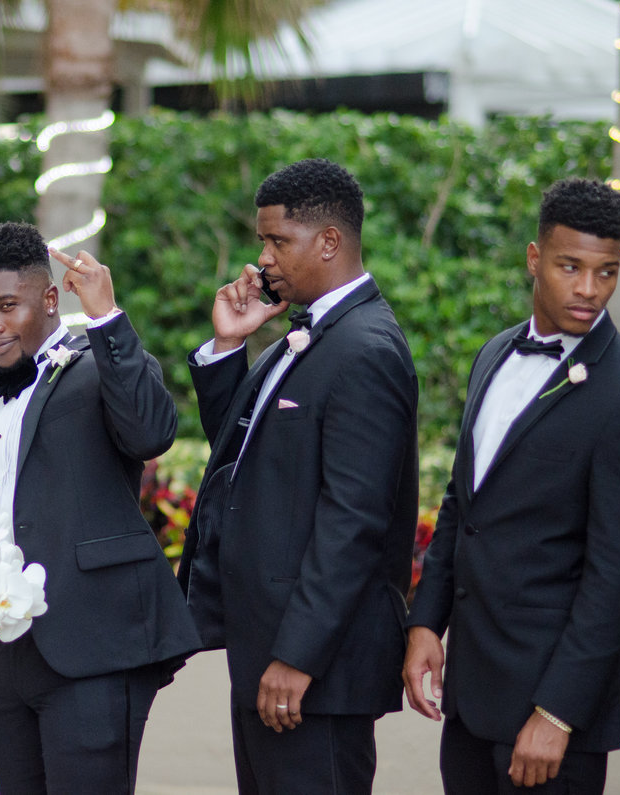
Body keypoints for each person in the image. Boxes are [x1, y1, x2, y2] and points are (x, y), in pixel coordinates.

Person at [404, 178, 620, 794]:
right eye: (569, 266)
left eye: (606, 272)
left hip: (550, 718)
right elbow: (462, 504)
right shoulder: (494, 354)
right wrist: (425, 623)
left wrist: (558, 713)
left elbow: (616, 576)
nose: (587, 289)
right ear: (533, 257)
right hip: (470, 701)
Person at [177, 158, 419, 792]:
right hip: (268, 658)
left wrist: (297, 656)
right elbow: (245, 453)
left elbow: (354, 520)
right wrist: (231, 346)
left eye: (278, 241)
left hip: (314, 674)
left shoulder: (365, 349)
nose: (263, 260)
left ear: (330, 242)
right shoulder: (310, 333)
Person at [0, 221, 200, 793]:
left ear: (50, 299)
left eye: (7, 306)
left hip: (91, 647)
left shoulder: (98, 365)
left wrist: (108, 318)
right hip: (5, 660)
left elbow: (149, 433)